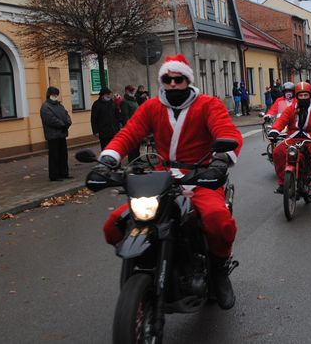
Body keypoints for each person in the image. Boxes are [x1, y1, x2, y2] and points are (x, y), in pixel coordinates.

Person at [99, 54, 243, 309]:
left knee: (217, 220)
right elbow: (129, 133)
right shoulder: (152, 106)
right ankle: (146, 265)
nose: (173, 84)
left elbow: (226, 132)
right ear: (162, 81)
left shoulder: (208, 104)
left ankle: (219, 269)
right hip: (162, 176)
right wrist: (108, 160)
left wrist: (220, 161)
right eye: (168, 79)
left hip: (201, 176)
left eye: (179, 79)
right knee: (116, 223)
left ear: (187, 80)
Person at [268, 82, 311, 198]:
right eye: (300, 96)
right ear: (297, 96)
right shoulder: (291, 109)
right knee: (277, 152)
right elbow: (281, 121)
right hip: (293, 137)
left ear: (310, 95)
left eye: (305, 95)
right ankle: (282, 183)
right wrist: (275, 130)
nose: (303, 98)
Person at [40, 86, 72, 181]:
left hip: (61, 134)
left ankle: (64, 173)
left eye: (56, 94)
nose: (55, 96)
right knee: (54, 156)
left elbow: (66, 115)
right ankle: (54, 175)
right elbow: (50, 120)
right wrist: (63, 124)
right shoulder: (45, 107)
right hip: (53, 135)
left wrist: (68, 122)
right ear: (49, 95)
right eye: (54, 94)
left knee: (63, 155)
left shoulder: (59, 105)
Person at [119, 84, 140, 162]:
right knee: (132, 145)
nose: (133, 92)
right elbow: (125, 115)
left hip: (137, 125)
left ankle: (138, 159)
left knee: (137, 144)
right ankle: (132, 160)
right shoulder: (125, 101)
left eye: (133, 90)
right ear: (127, 91)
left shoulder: (133, 100)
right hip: (131, 126)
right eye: (131, 90)